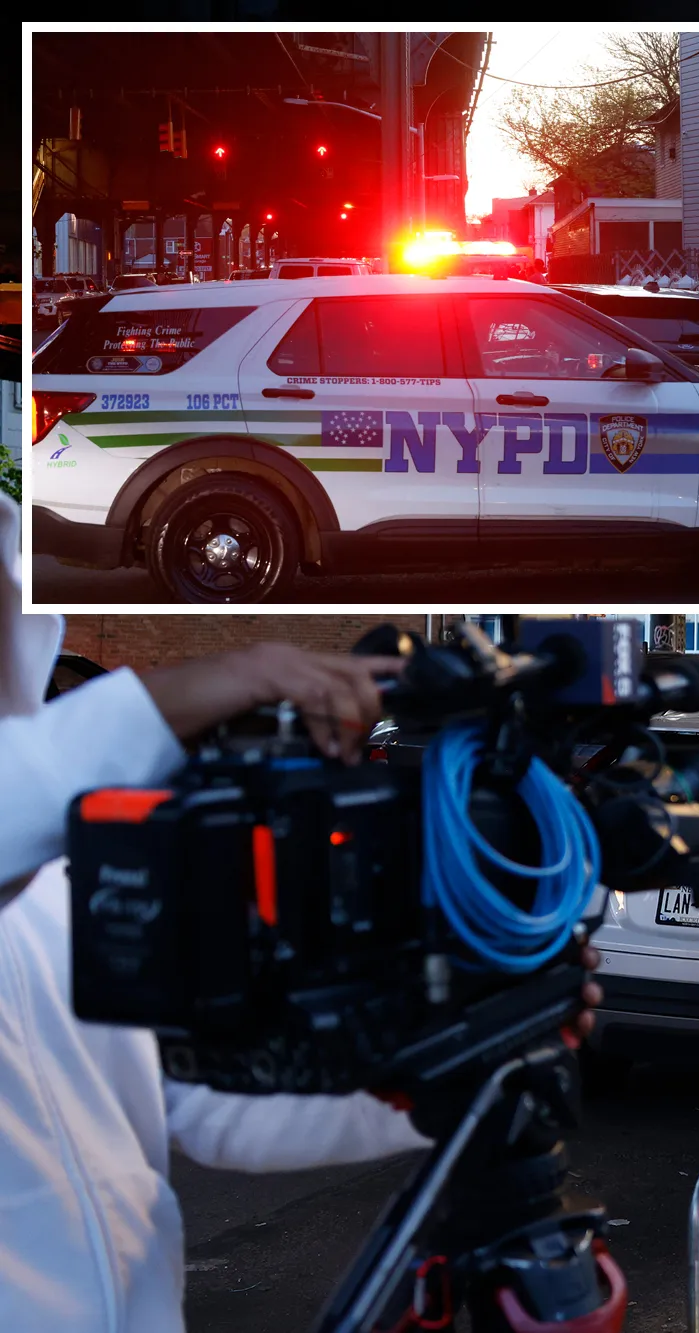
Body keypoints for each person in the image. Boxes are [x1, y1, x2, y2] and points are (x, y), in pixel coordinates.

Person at [0, 496, 602, 1332]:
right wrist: (223, 678)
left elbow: (211, 1108)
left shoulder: (69, 873)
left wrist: (453, 1058)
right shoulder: (28, 823)